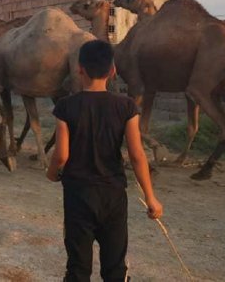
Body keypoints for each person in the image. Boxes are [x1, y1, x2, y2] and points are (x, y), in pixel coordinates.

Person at [46, 39, 163, 282]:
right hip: (113, 195)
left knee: (78, 267)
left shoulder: (66, 107)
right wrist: (150, 197)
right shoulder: (126, 106)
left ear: (80, 69)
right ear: (112, 71)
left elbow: (62, 155)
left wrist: (51, 172)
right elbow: (137, 155)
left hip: (78, 195)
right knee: (114, 267)